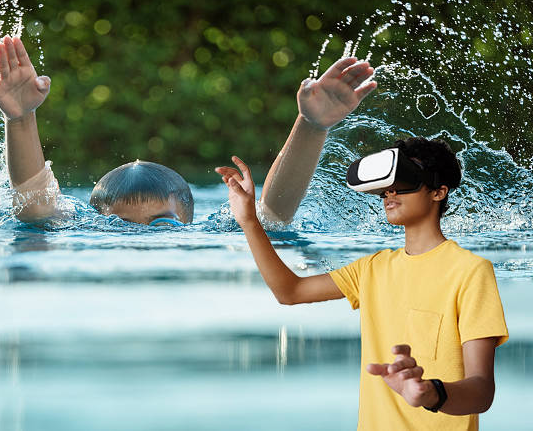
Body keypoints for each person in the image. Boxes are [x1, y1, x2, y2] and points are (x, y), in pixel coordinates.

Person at [216, 137, 508, 429]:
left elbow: (482, 392)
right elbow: (289, 291)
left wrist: (430, 393)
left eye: (405, 179)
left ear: (438, 192)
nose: (390, 192)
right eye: (386, 185)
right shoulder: (372, 269)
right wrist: (249, 221)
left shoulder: (470, 271)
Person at [0, 35, 376, 225]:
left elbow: (269, 218)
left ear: (188, 223)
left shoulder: (209, 236)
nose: (139, 245)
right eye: (122, 229)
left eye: (159, 227)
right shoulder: (76, 234)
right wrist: (20, 119)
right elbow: (36, 208)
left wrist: (311, 127)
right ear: (97, 221)